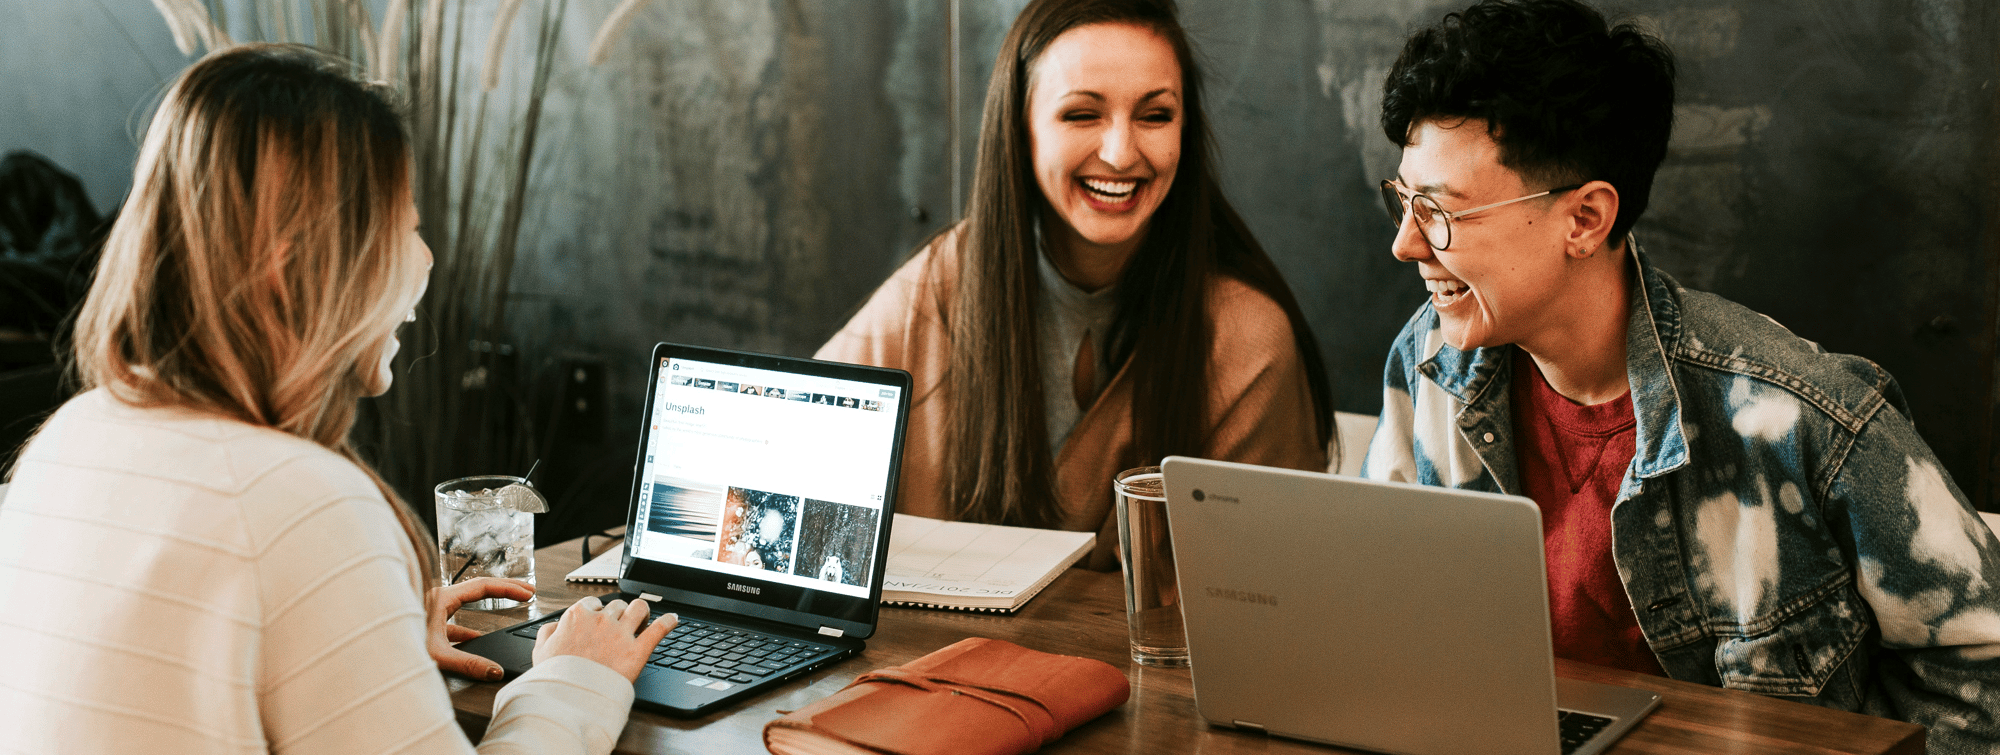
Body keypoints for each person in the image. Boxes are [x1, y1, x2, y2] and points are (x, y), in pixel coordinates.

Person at [1358, 1, 2000, 748]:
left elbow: (1984, 678)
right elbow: (1379, 615)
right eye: (1404, 201)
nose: (1407, 245)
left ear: (1585, 220)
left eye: (1440, 212)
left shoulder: (1799, 417)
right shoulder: (1430, 363)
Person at [0, 45, 676, 754]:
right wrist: (574, 680)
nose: (425, 259)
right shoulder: (299, 502)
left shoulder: (67, 440)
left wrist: (365, 636)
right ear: (294, 264)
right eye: (404, 229)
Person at [818, 0, 1333, 570]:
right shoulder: (943, 282)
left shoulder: (1247, 338)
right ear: (1021, 128)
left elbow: (1263, 589)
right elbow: (794, 455)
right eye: (1082, 115)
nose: (1120, 153)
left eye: (1155, 116)